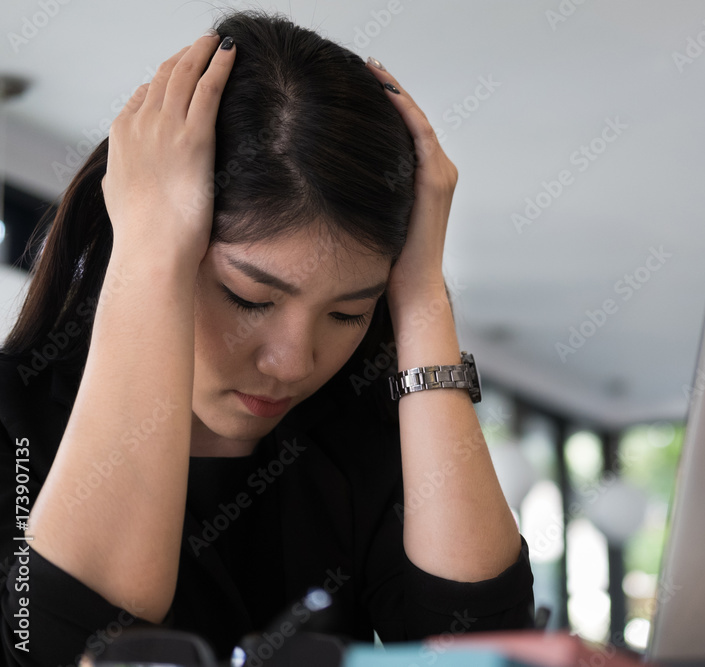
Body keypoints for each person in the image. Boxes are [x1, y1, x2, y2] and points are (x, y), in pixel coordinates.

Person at [0, 9, 534, 666]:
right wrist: (144, 255)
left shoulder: (359, 440)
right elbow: (71, 650)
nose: (293, 362)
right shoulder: (13, 421)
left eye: (348, 312)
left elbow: (484, 645)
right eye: (248, 297)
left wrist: (424, 292)